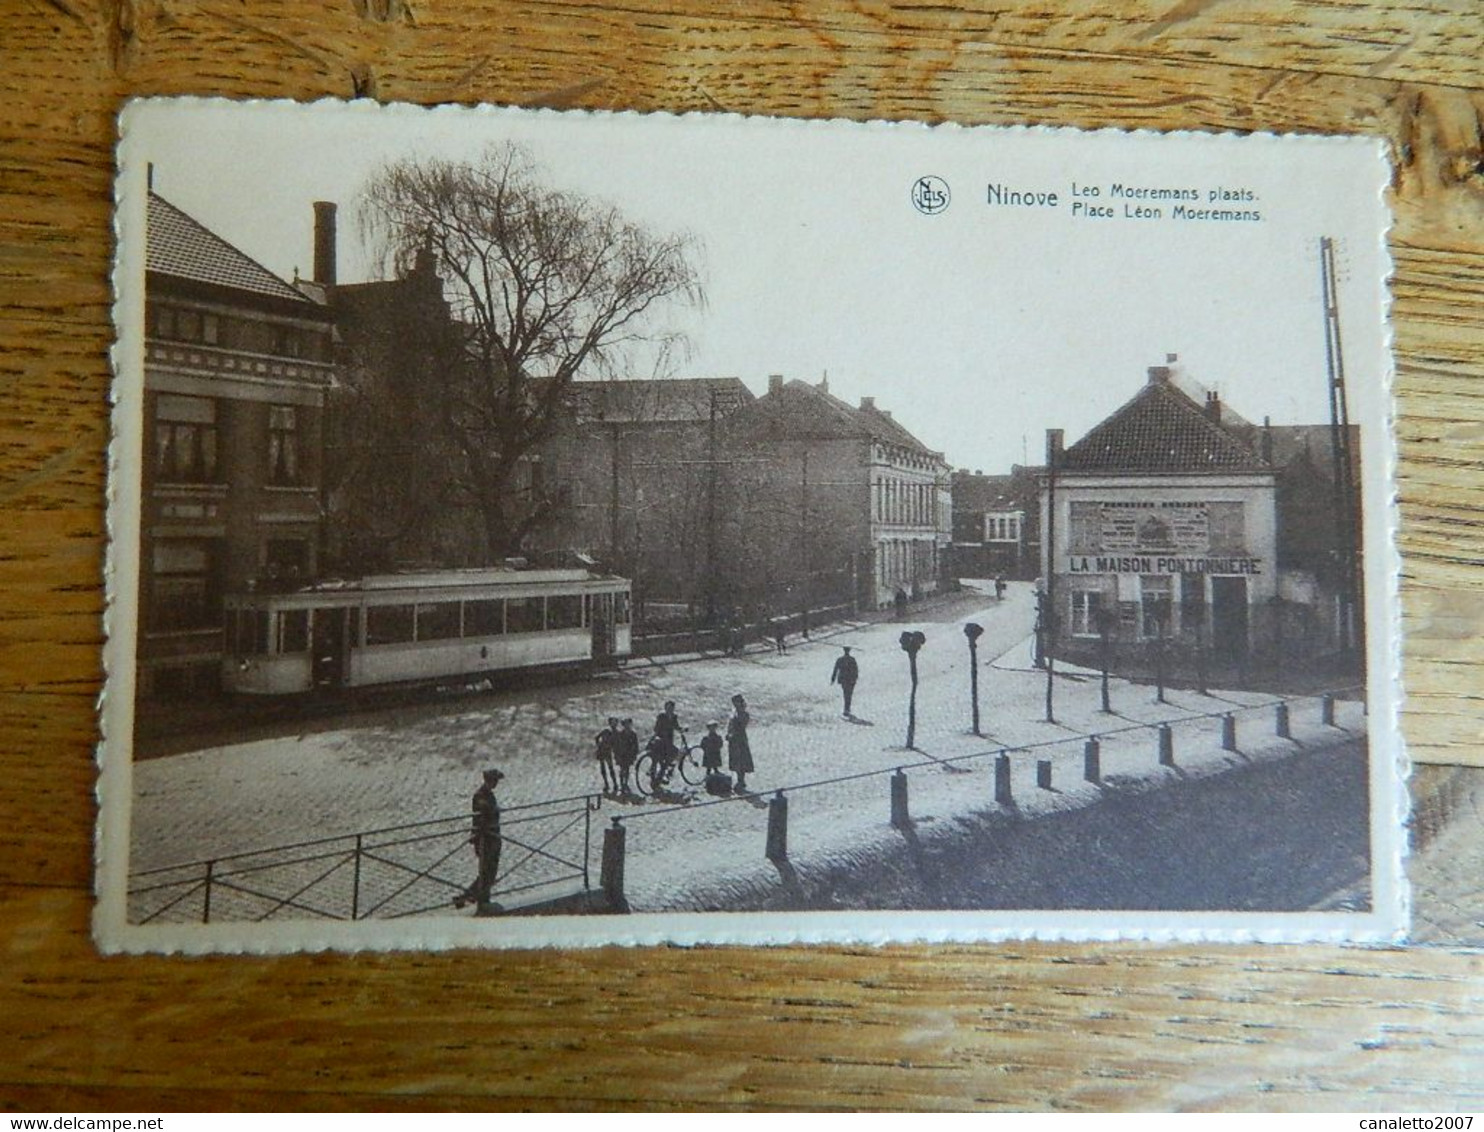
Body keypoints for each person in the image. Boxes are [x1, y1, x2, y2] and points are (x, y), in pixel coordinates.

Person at [454, 768, 503, 914]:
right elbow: (481, 818)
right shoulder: (481, 796)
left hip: (493, 837)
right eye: (494, 781)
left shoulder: (488, 795)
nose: (496, 784)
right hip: (486, 839)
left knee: (490, 871)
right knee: (487, 871)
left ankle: (474, 897)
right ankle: (478, 900)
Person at [727, 693, 754, 791]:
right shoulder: (734, 712)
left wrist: (733, 733)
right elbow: (730, 724)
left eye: (736, 702)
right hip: (733, 740)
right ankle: (739, 780)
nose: (735, 704)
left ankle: (741, 780)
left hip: (740, 739)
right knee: (735, 759)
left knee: (741, 760)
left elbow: (741, 726)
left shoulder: (743, 714)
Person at [830, 645, 860, 717]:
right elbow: (856, 670)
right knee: (849, 694)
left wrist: (833, 679)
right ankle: (847, 708)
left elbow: (836, 670)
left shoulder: (840, 660)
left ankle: (846, 708)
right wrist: (855, 678)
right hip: (850, 679)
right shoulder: (852, 659)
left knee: (846, 693)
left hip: (843, 679)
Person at [614, 717, 639, 795]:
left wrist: (634, 754)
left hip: (629, 755)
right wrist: (616, 755)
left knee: (627, 770)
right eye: (626, 724)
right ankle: (622, 784)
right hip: (622, 755)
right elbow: (616, 745)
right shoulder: (620, 734)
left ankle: (625, 783)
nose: (627, 726)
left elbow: (636, 745)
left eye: (629, 724)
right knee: (622, 770)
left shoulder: (633, 734)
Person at [594, 717, 619, 794]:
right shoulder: (606, 731)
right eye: (612, 723)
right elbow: (597, 737)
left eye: (615, 723)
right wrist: (599, 745)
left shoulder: (617, 733)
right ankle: (606, 783)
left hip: (608, 752)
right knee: (603, 768)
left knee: (610, 768)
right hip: (602, 751)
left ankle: (615, 784)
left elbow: (617, 744)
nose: (613, 725)